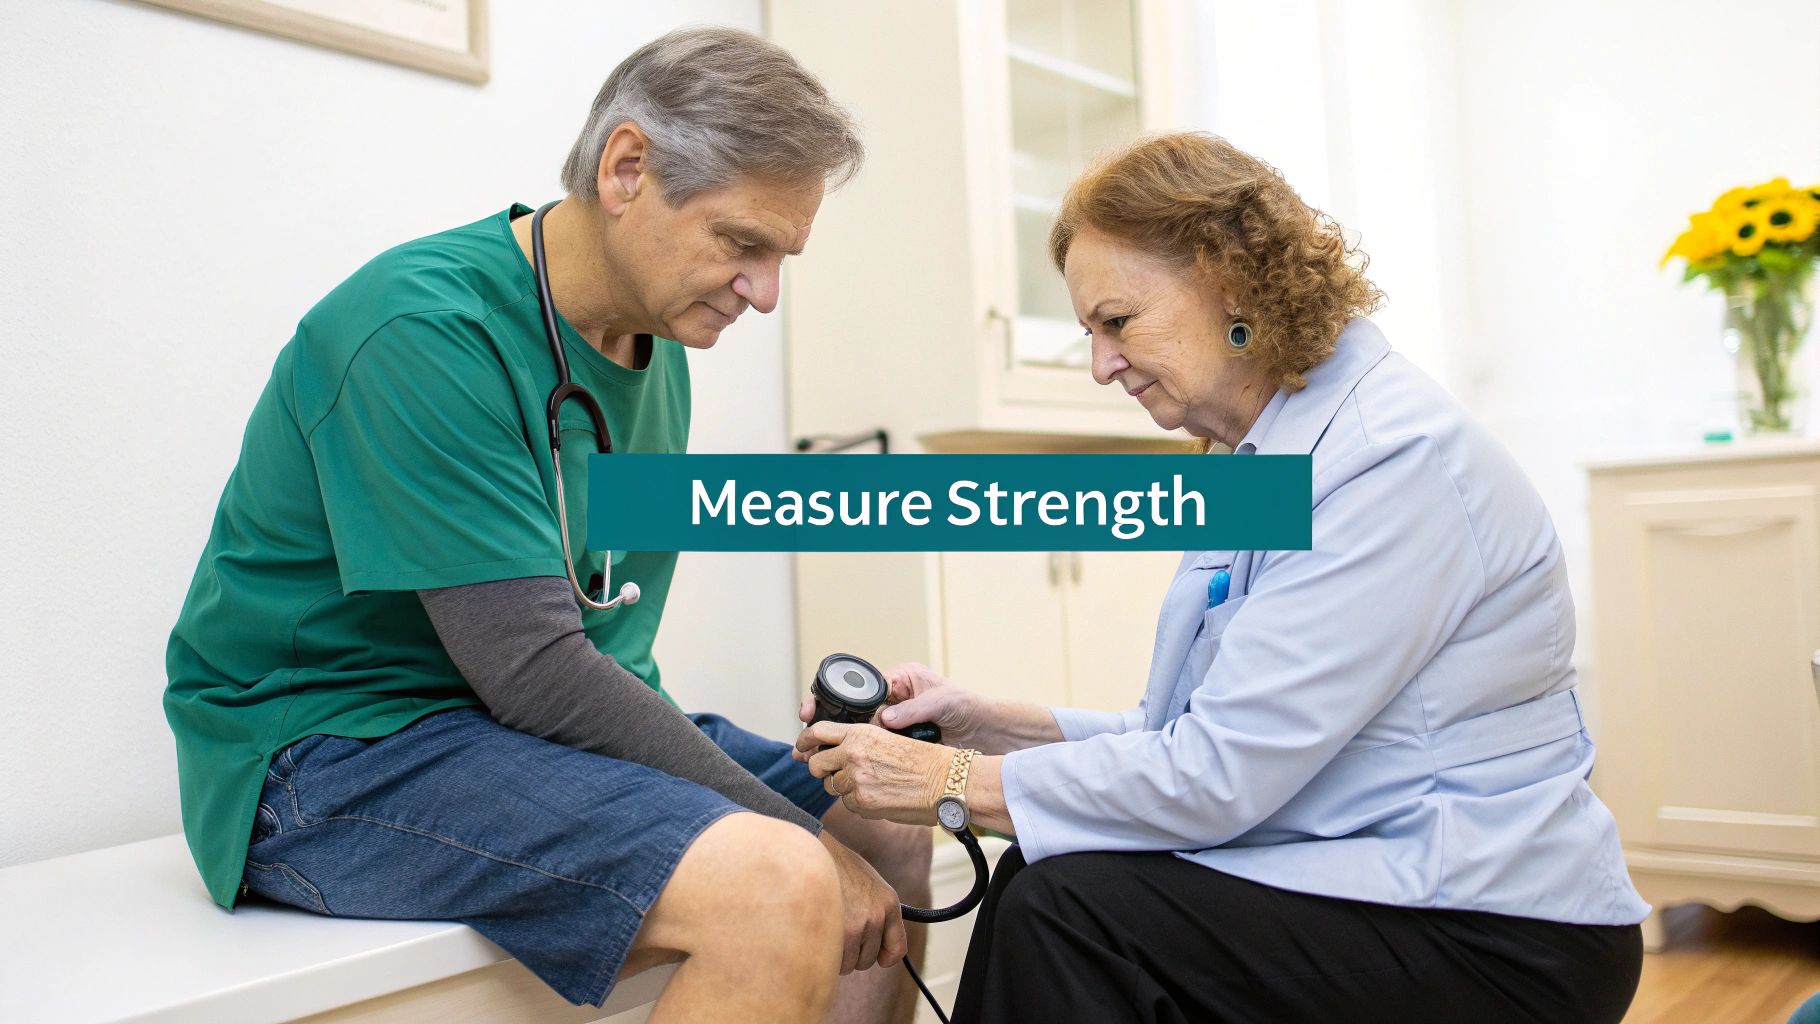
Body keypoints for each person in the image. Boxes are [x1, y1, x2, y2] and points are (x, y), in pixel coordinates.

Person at [164, 27, 930, 1024]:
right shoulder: (420, 331)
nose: (765, 291)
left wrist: (819, 825)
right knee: (781, 879)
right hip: (325, 755)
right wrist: (794, 839)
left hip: (504, 734)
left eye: (782, 255)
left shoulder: (658, 358)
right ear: (625, 169)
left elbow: (606, 643)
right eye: (741, 242)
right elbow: (533, 668)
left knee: (887, 813)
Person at [795, 132, 1649, 1023]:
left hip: (1497, 930)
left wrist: (948, 782)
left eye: (1117, 323)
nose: (1101, 365)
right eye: (1090, 333)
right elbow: (1190, 732)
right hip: (1379, 871)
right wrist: (989, 725)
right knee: (1048, 874)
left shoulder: (1389, 464)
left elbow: (1216, 776)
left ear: (1229, 284)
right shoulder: (1265, 457)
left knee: (1071, 914)